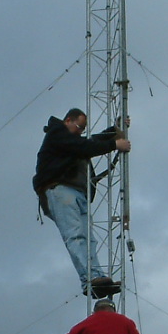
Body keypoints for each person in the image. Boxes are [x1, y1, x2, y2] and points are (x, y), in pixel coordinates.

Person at [33, 108, 131, 298]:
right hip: (60, 189)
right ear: (68, 120)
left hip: (77, 192)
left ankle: (96, 278)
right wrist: (114, 144)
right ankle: (90, 279)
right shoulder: (58, 133)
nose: (80, 131)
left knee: (88, 238)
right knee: (76, 235)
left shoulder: (70, 140)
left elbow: (89, 142)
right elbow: (84, 146)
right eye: (79, 127)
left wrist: (114, 130)